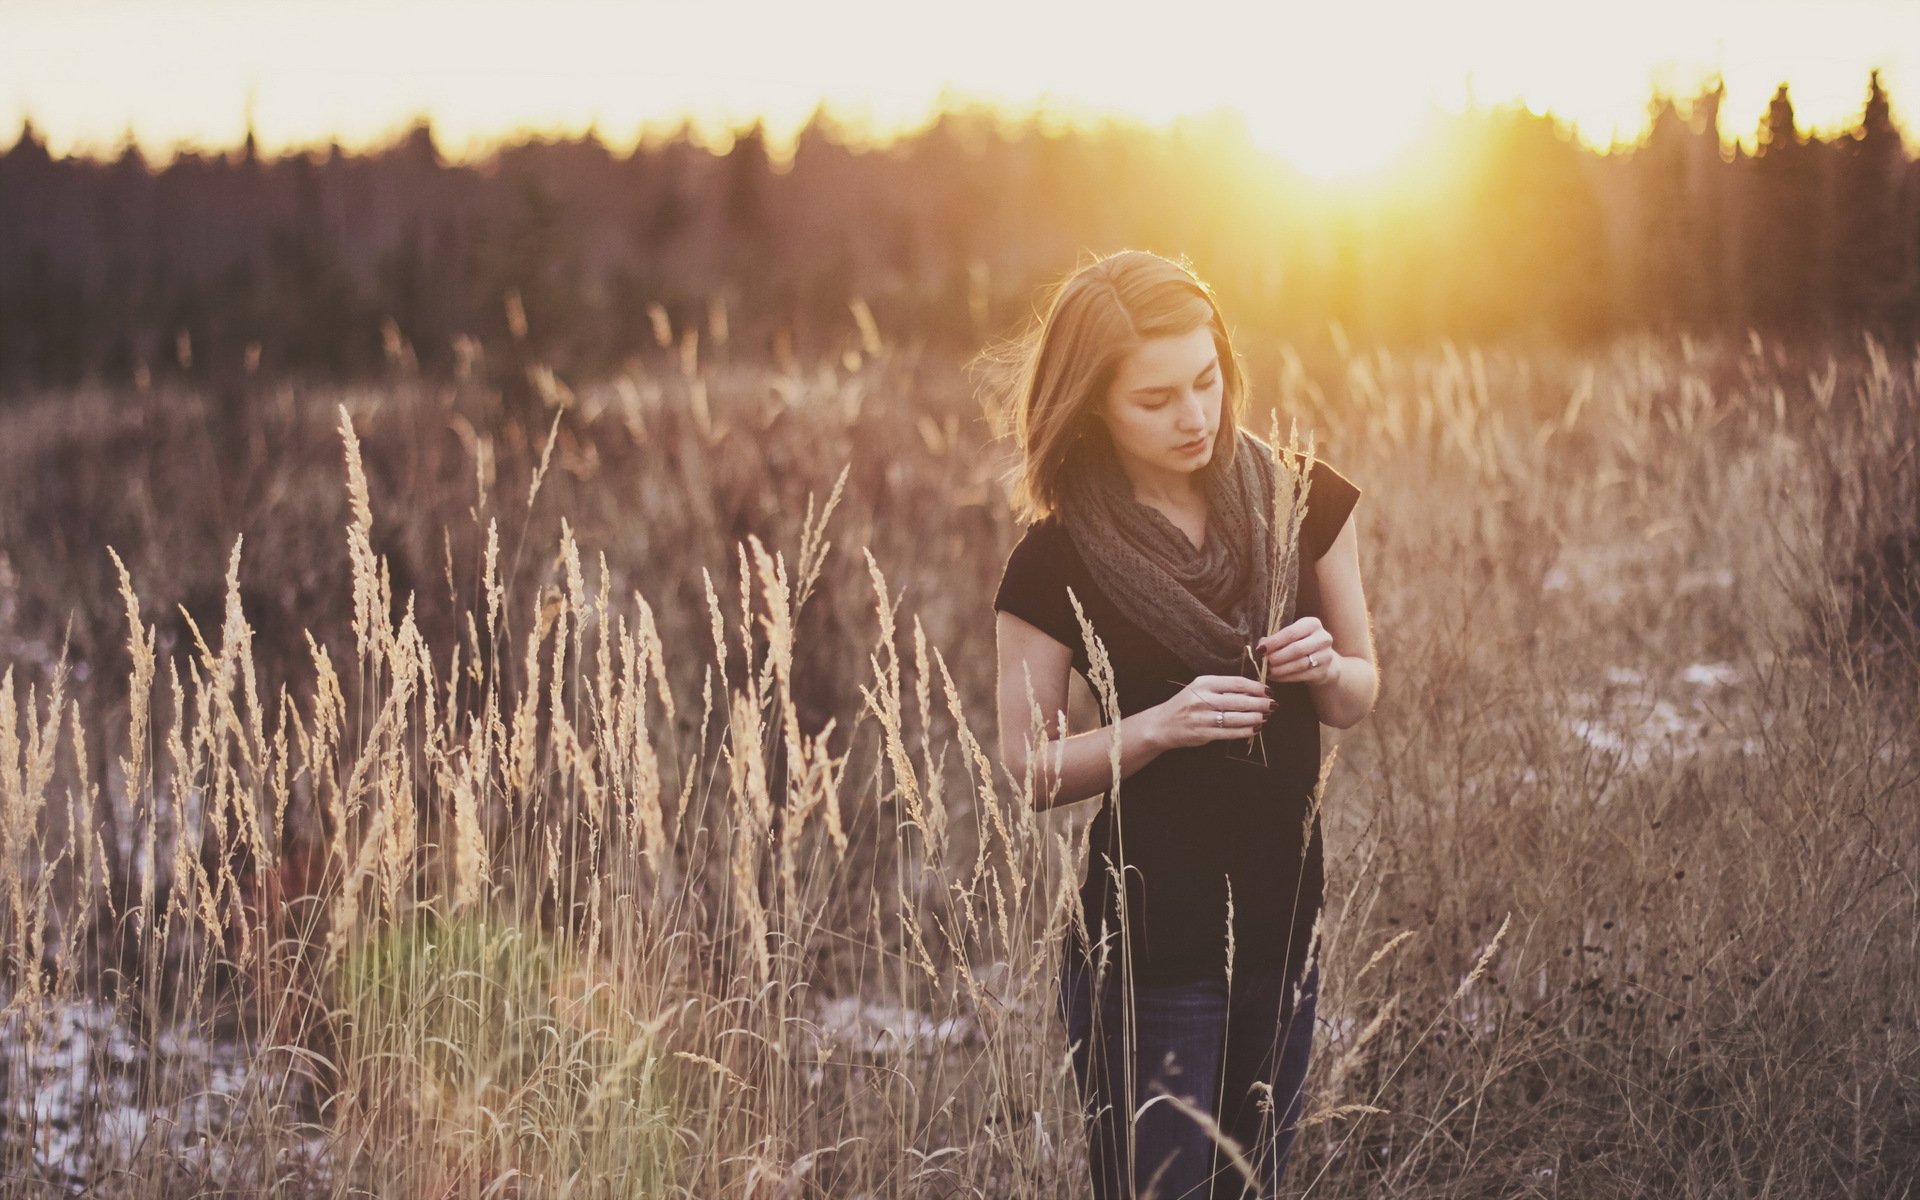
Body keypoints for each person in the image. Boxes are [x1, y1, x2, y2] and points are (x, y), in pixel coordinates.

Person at [984, 250, 1378, 1199]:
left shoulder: (1300, 499)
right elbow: (1029, 770)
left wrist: (1326, 663)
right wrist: (1161, 725)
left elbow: (1358, 694)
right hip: (1147, 950)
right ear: (1093, 406)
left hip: (1285, 926)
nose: (1194, 415)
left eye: (1207, 381)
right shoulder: (1055, 561)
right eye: (1155, 399)